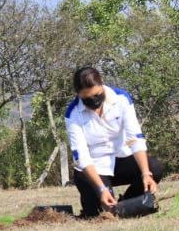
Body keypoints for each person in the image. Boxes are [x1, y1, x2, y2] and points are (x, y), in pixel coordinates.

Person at [64, 66, 164, 216]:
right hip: (94, 168)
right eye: (87, 99)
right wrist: (102, 189)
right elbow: (82, 157)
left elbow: (134, 138)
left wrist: (145, 174)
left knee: (154, 167)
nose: (94, 101)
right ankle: (101, 204)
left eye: (97, 95)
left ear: (102, 85)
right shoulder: (72, 114)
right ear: (78, 95)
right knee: (99, 214)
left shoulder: (122, 99)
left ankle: (128, 203)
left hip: (122, 158)